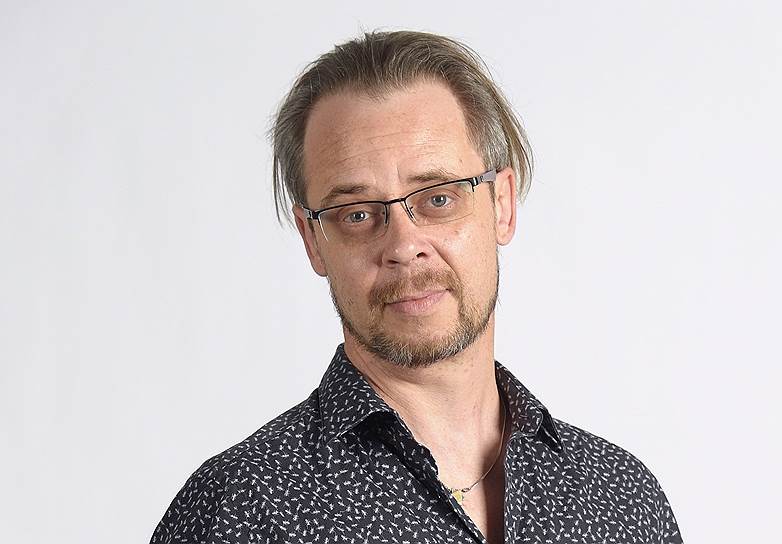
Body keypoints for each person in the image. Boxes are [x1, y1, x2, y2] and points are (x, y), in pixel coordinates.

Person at [151, 30, 682, 544]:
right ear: (313, 239)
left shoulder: (623, 500)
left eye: (439, 198)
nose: (404, 245)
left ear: (501, 204)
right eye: (356, 213)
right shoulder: (236, 512)